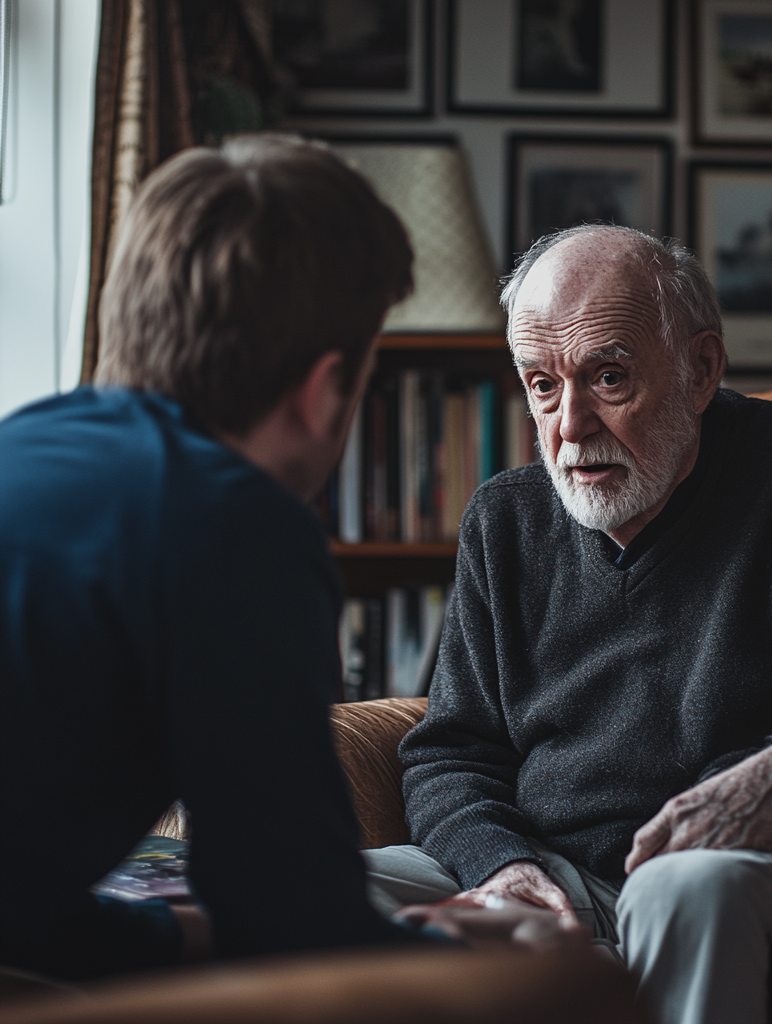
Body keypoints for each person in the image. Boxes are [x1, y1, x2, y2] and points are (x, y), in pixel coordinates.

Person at [363, 225, 772, 1024]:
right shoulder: (505, 519)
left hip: (699, 857)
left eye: (609, 377)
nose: (569, 427)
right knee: (313, 889)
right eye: (541, 384)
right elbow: (450, 749)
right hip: (539, 867)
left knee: (691, 887)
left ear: (701, 370)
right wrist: (501, 868)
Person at [0, 136, 581, 982]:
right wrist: (470, 953)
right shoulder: (233, 525)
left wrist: (193, 933)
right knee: (564, 981)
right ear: (323, 390)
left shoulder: (29, 441)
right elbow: (293, 925)